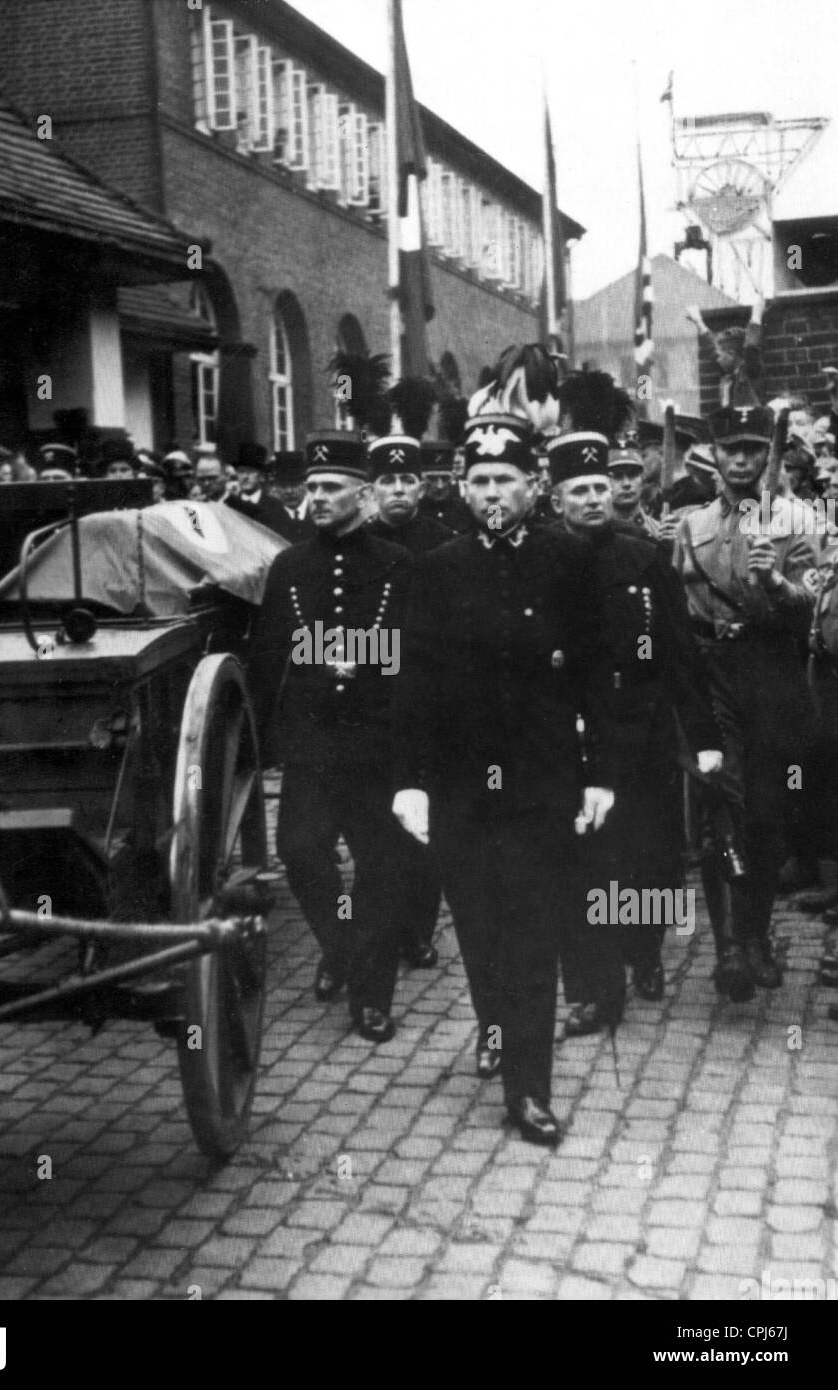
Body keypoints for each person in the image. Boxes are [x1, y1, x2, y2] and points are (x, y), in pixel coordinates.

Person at [391, 414, 617, 1145]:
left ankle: (528, 1088)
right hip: (460, 783)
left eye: (504, 480)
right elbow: (413, 684)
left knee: (530, 930)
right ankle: (493, 1022)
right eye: (478, 481)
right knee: (479, 926)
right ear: (460, 487)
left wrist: (599, 775)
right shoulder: (434, 568)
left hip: (540, 780)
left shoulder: (569, 561)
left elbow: (594, 676)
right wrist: (411, 782)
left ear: (533, 486)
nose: (491, 493)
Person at [550, 441, 724, 1029]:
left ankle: (645, 951)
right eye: (580, 490)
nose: (594, 498)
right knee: (586, 857)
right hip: (573, 729)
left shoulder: (646, 557)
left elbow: (678, 651)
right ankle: (596, 991)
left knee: (651, 850)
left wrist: (703, 734)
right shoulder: (543, 559)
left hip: (642, 721)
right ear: (556, 499)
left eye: (601, 487)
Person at [248, 430, 412, 1044]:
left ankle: (371, 996)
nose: (315, 498)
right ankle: (338, 946)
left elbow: (413, 659)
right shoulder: (289, 566)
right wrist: (267, 745)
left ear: (363, 495)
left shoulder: (398, 564)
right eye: (311, 488)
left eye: (329, 488)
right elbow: (268, 659)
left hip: (379, 741)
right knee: (298, 850)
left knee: (382, 865)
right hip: (313, 743)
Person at [672, 405, 819, 999]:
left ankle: (755, 934)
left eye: (753, 449)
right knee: (722, 808)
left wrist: (775, 582)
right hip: (713, 676)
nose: (740, 460)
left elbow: (814, 602)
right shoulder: (691, 525)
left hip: (773, 674)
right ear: (714, 454)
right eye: (730, 449)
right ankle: (730, 947)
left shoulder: (800, 520)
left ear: (767, 455)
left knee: (766, 812)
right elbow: (680, 609)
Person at [365, 419, 451, 971]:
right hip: (372, 699)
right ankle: (380, 926)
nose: (398, 490)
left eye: (408, 481)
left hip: (430, 697)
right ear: (371, 490)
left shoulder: (443, 543)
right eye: (387, 482)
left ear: (422, 486)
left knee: (426, 819)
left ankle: (418, 929)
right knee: (377, 820)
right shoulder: (360, 544)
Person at [687, 296, 764, 409]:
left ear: (732, 354)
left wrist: (756, 315)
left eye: (720, 355)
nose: (717, 358)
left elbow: (751, 347)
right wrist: (699, 322)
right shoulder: (728, 376)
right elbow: (711, 346)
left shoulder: (749, 372)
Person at [226, 441, 296, 535]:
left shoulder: (275, 507)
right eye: (241, 471)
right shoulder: (230, 505)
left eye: (251, 471)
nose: (245, 477)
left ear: (261, 475)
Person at [418, 440, 473, 536]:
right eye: (432, 479)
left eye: (445, 478)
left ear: (452, 477)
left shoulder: (466, 510)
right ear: (421, 480)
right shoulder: (414, 511)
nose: (440, 486)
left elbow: (494, 529)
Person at [265, 451, 311, 542]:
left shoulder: (318, 514)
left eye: (294, 484)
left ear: (305, 485)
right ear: (276, 487)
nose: (289, 491)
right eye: (283, 485)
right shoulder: (268, 520)